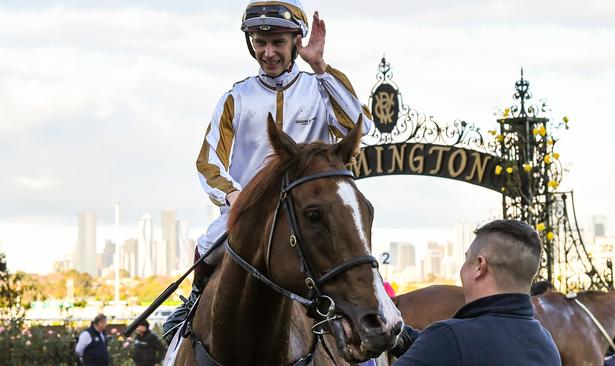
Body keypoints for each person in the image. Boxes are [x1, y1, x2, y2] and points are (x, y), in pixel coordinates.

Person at [162, 0, 373, 341]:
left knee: (349, 248)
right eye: (260, 43)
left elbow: (359, 126)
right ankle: (193, 312)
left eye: (278, 42)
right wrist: (236, 195)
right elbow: (208, 162)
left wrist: (319, 65)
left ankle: (367, 339)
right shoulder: (236, 98)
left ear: (296, 42)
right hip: (250, 211)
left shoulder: (320, 87)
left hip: (309, 212)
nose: (268, 52)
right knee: (206, 246)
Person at [391, 220, 561, 365]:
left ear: (480, 266)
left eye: (467, 260)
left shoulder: (448, 338)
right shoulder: (546, 345)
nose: (462, 269)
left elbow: (454, 347)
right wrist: (401, 335)